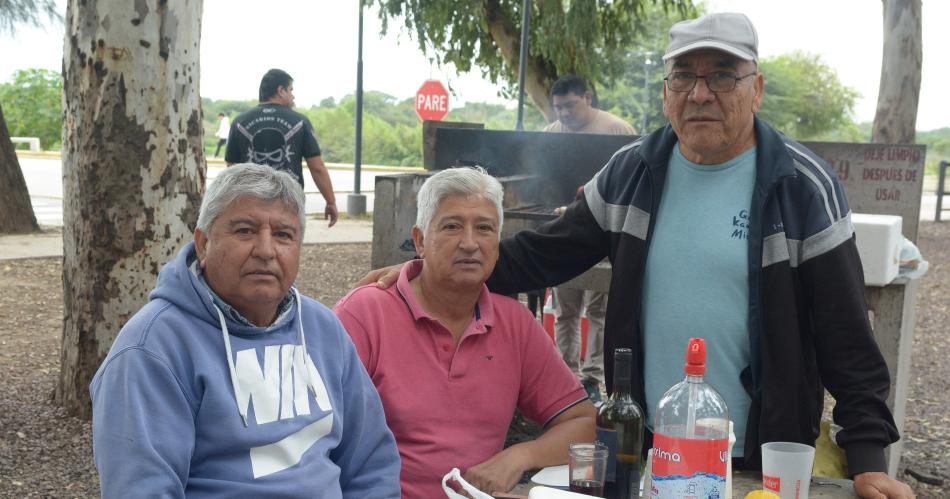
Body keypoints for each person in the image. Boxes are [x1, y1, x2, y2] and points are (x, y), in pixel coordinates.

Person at [360, 13, 914, 498]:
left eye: (722, 75)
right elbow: (545, 253)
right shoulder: (633, 172)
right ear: (667, 90)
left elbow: (847, 336)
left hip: (759, 453)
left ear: (757, 88)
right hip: (648, 449)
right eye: (684, 76)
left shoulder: (800, 186)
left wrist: (867, 460)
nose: (701, 93)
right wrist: (436, 269)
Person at [90, 163, 400, 498]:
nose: (266, 251)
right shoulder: (152, 349)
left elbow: (370, 463)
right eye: (245, 231)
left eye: (283, 234)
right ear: (203, 243)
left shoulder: (322, 329)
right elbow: (142, 489)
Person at [335, 167, 596, 498]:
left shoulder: (515, 324)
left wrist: (519, 456)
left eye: (484, 228)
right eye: (452, 227)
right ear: (420, 241)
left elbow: (582, 423)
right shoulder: (365, 313)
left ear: (498, 245)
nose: (470, 243)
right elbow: (315, 434)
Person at [545, 75, 637, 395]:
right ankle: (565, 372)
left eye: (569, 105)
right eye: (558, 108)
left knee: (599, 309)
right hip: (565, 229)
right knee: (565, 309)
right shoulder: (552, 134)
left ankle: (593, 375)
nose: (564, 114)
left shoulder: (617, 130)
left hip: (604, 231)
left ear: (587, 97)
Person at [226, 68, 338, 227]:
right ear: (280, 90)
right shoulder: (300, 121)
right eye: (291, 90)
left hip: (249, 202)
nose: (293, 95)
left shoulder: (239, 122)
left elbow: (231, 168)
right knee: (286, 244)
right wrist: (330, 202)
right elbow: (317, 168)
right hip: (288, 203)